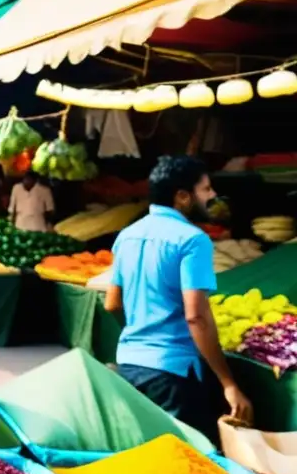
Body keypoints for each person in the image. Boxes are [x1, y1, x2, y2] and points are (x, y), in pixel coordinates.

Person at [105, 156, 253, 444]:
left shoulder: (127, 236)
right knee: (192, 462)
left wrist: (141, 331)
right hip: (172, 375)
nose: (212, 196)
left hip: (129, 366)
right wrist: (228, 382)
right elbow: (196, 316)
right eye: (206, 189)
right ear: (183, 197)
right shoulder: (192, 240)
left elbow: (112, 303)